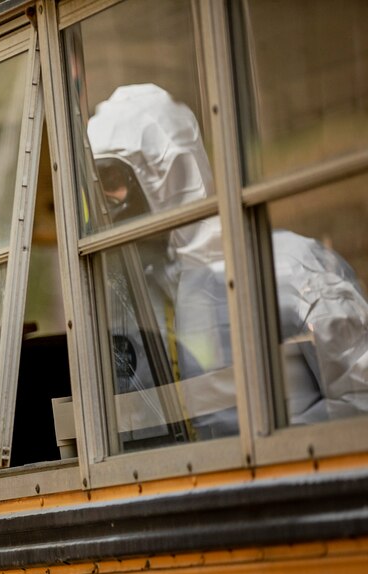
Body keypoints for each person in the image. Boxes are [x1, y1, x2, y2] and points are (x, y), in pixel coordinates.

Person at [87, 84, 368, 442]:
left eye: (111, 180)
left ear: (165, 174)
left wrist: (288, 452)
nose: (102, 204)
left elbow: (360, 398)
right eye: (93, 185)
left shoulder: (289, 268)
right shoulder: (129, 302)